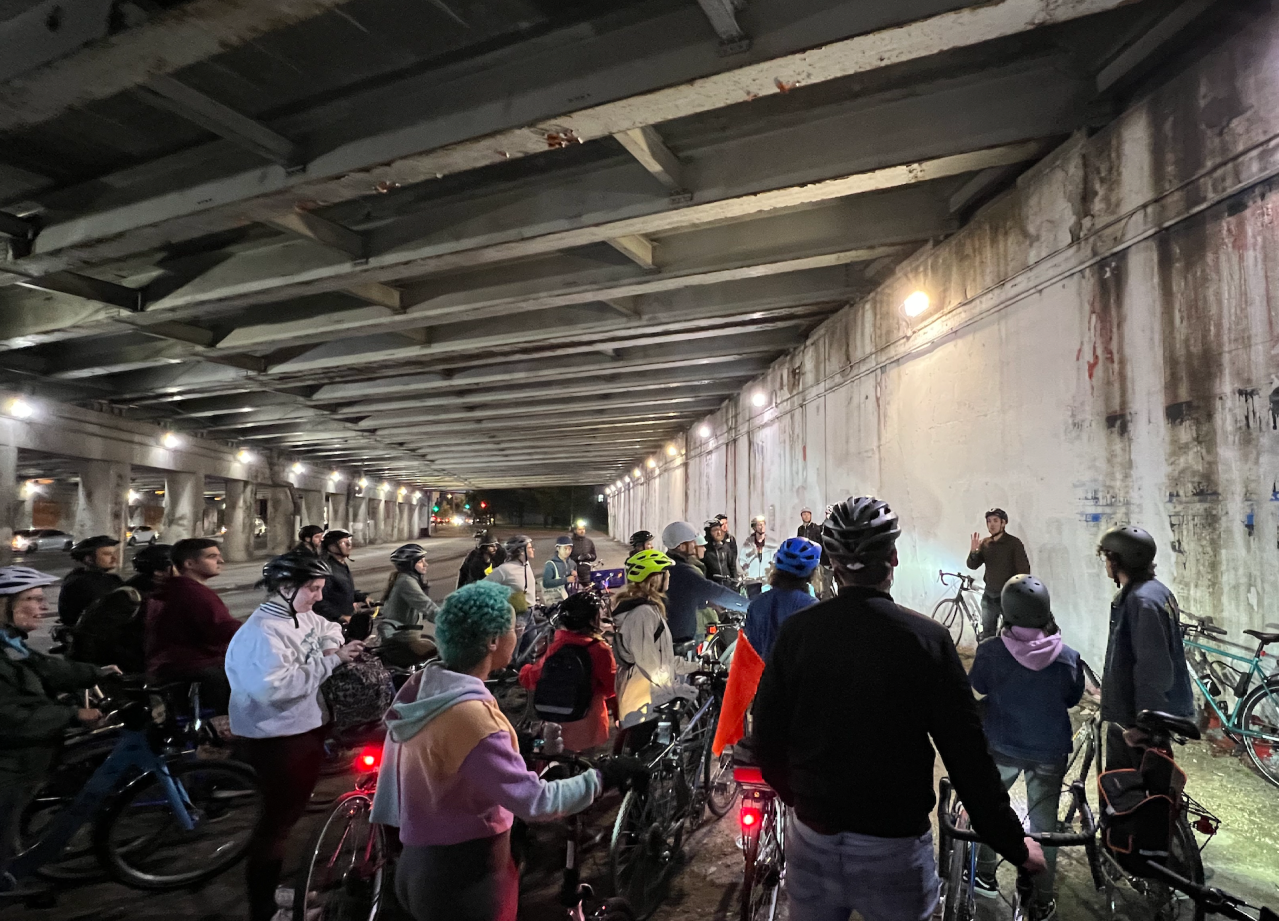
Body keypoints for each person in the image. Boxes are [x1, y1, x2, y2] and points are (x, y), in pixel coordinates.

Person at [753, 496, 1045, 921]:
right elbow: (967, 757)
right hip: (892, 849)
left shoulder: (798, 633)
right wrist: (1014, 844)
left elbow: (767, 736)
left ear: (831, 563)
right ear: (893, 556)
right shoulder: (925, 638)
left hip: (812, 841)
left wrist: (802, 800)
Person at [370, 581, 641, 921]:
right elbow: (535, 802)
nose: (519, 634)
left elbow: (451, 766)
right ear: (493, 641)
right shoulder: (472, 717)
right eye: (513, 628)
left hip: (417, 864)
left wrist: (518, 747)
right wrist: (603, 777)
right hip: (467, 878)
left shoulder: (425, 692)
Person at [225, 553, 364, 921]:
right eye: (313, 589)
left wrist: (333, 645)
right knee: (276, 826)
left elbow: (325, 626)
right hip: (278, 738)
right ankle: (264, 909)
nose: (318, 597)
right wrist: (331, 661)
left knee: (284, 820)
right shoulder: (263, 633)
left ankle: (271, 893)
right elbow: (274, 690)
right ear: (286, 588)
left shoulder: (295, 614)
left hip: (301, 729)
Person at [970, 575, 1085, 919]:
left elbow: (976, 690)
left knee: (991, 811)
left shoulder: (991, 652)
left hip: (1002, 746)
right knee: (1044, 824)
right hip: (1049, 752)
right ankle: (1041, 896)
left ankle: (986, 876)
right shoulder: (1067, 657)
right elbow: (1072, 698)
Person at [0, 566, 120, 891]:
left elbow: (47, 668)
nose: (43, 607)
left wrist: (98, 672)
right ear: (5, 605)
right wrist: (73, 715)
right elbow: (10, 716)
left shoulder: (10, 642)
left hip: (25, 760)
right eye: (33, 600)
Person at [1096, 525, 1194, 771]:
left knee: (1132, 794)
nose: (1106, 563)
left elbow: (1153, 667)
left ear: (1120, 560)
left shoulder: (1142, 601)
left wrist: (1141, 726)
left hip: (1137, 722)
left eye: (1108, 557)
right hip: (1142, 715)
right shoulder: (1155, 592)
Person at [146, 537, 240, 713]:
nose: (220, 561)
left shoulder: (171, 588)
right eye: (212, 557)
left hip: (167, 666)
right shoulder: (193, 593)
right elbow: (220, 629)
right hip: (195, 667)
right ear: (189, 563)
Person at [518, 591, 616, 752]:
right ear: (593, 620)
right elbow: (611, 687)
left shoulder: (558, 644)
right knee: (587, 769)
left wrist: (524, 670)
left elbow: (533, 677)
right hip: (590, 723)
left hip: (558, 722)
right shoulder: (599, 649)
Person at [612, 549, 697, 732]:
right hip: (642, 702)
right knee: (645, 755)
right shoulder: (642, 614)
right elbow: (649, 665)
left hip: (651, 699)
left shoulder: (649, 609)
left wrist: (694, 667)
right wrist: (674, 690)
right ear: (656, 578)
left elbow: (661, 658)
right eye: (666, 573)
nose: (669, 577)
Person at [661, 521, 748, 644]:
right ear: (681, 546)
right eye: (691, 541)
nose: (694, 544)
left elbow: (680, 597)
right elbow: (716, 592)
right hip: (680, 638)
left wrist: (706, 602)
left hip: (670, 635)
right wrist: (750, 606)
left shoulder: (668, 565)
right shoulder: (683, 571)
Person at [743, 537, 820, 663]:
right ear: (811, 572)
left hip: (763, 679)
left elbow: (752, 650)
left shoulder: (757, 604)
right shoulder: (811, 607)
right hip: (796, 680)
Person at [966, 508, 1031, 640]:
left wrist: (1017, 594)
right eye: (989, 521)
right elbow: (972, 565)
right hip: (989, 595)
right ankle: (989, 658)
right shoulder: (985, 543)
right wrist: (973, 552)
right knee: (987, 631)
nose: (992, 524)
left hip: (1008, 595)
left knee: (1010, 633)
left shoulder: (1014, 543)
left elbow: (1024, 571)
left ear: (1004, 523)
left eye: (995, 520)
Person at [377, 544, 440, 666]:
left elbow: (423, 611)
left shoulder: (406, 579)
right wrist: (453, 622)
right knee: (441, 654)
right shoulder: (406, 581)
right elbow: (428, 607)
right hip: (402, 640)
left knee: (433, 644)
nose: (426, 564)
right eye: (421, 562)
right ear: (411, 564)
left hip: (404, 637)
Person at [58, 535, 123, 627]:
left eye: (114, 553)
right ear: (89, 559)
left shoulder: (111, 579)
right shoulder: (80, 583)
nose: (114, 558)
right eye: (107, 554)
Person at [314, 529, 361, 624]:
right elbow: (318, 600)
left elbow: (343, 588)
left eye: (349, 541)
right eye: (344, 543)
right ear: (331, 546)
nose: (349, 545)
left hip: (346, 619)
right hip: (331, 623)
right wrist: (339, 616)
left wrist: (362, 597)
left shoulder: (341, 564)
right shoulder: (326, 569)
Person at [486, 535, 537, 613]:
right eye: (530, 548)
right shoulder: (505, 569)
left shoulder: (526, 564)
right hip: (518, 615)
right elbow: (483, 586)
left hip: (532, 611)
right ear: (521, 551)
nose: (533, 549)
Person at [739, 516, 776, 595]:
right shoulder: (748, 543)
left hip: (767, 581)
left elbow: (776, 558)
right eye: (759, 525)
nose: (762, 527)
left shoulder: (772, 543)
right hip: (753, 581)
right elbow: (742, 559)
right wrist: (747, 571)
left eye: (763, 524)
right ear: (754, 527)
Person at [703, 518, 740, 586]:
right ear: (709, 533)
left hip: (727, 587)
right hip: (713, 588)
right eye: (715, 530)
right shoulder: (705, 550)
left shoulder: (725, 548)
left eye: (719, 529)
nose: (719, 533)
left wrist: (735, 583)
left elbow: (732, 567)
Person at [541, 536, 576, 604]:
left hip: (569, 598)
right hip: (555, 601)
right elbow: (546, 583)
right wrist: (566, 580)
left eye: (570, 549)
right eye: (565, 548)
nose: (567, 551)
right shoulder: (550, 564)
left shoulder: (572, 563)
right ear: (558, 548)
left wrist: (573, 575)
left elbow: (572, 583)